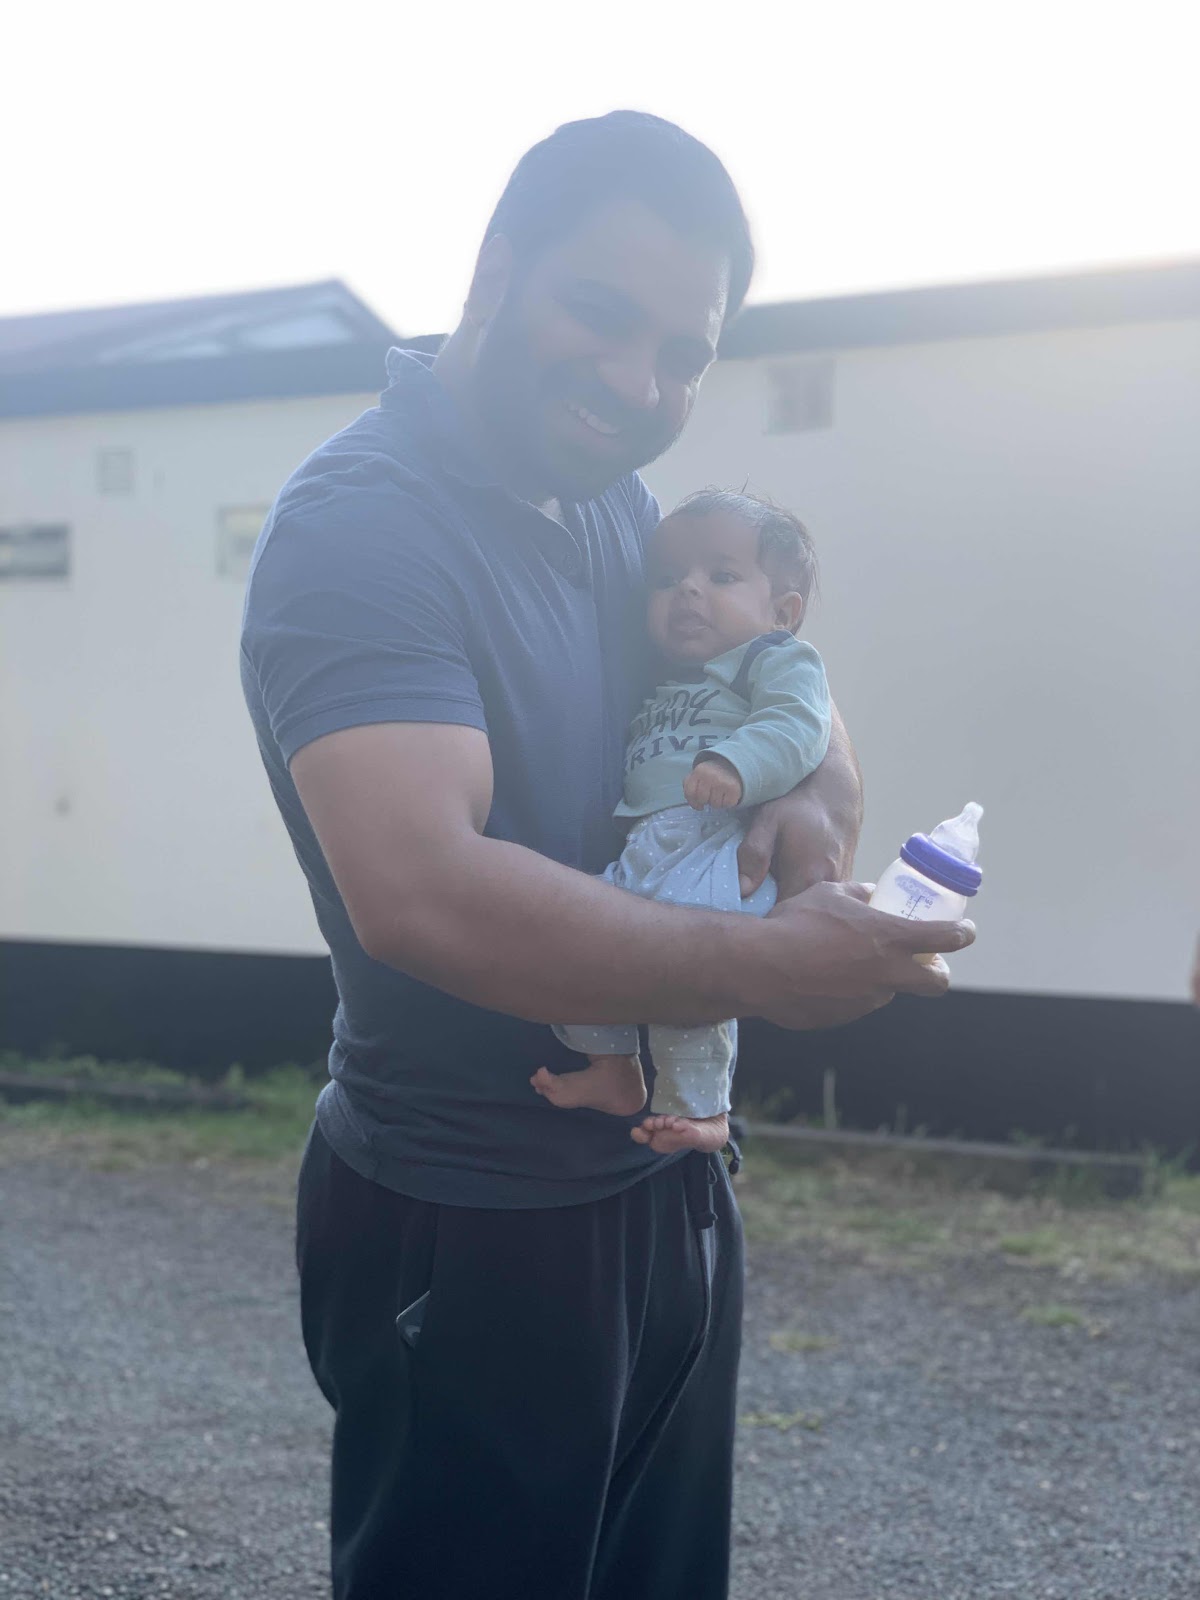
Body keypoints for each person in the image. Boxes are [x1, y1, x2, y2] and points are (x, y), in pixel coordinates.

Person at [240, 110, 973, 1600]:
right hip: (473, 1211)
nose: (641, 386)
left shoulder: (614, 510)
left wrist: (818, 805)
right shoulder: (362, 528)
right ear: (496, 269)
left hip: (661, 1182)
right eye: (603, 315)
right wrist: (767, 964)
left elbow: (781, 672)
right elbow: (421, 892)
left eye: (685, 355)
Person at [534, 490, 831, 1156]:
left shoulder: (772, 659)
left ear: (782, 612)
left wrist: (735, 763)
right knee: (575, 946)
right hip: (647, 844)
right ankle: (614, 1067)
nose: (688, 590)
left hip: (713, 844)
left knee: (688, 973)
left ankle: (705, 1109)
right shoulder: (667, 675)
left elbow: (797, 724)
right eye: (668, 580)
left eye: (721, 576)